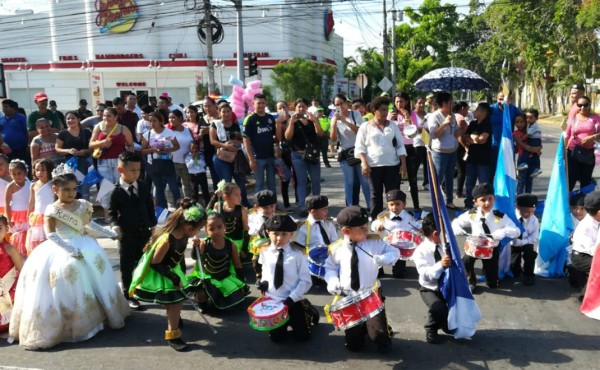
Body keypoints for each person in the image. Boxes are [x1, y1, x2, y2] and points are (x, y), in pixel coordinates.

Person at [9, 173, 130, 350]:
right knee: (67, 280)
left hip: (86, 246)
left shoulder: (82, 205)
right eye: (66, 189)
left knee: (96, 280)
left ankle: (100, 317)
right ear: (55, 190)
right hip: (61, 248)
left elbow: (88, 225)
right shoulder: (51, 210)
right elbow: (51, 234)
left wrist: (109, 233)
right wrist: (71, 250)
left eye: (74, 189)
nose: (71, 193)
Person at [129, 199, 207, 351]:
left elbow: (181, 256)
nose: (197, 233)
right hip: (163, 273)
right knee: (175, 303)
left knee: (175, 303)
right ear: (188, 226)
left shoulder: (184, 234)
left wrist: (196, 248)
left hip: (174, 269)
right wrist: (172, 277)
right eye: (197, 229)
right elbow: (155, 263)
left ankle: (175, 320)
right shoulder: (167, 239)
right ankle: (173, 336)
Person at [324, 206, 400, 353]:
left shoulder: (375, 243)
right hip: (349, 296)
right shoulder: (336, 248)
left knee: (382, 343)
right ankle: (362, 329)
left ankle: (380, 329)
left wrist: (384, 258)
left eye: (366, 227)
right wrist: (332, 281)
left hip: (370, 294)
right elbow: (329, 267)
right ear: (346, 231)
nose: (367, 231)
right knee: (354, 346)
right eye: (361, 228)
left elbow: (395, 252)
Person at [109, 152, 157, 310]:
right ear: (120, 170)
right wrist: (114, 225)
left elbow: (149, 206)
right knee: (127, 265)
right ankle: (128, 294)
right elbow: (111, 212)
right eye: (132, 170)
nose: (136, 173)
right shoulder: (115, 191)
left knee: (143, 262)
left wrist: (153, 225)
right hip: (127, 234)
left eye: (138, 170)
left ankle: (145, 290)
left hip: (144, 232)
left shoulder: (142, 185)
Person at [256, 214, 315, 342]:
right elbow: (266, 271)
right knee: (277, 339)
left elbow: (305, 280)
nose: (279, 238)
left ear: (291, 234)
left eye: (284, 234)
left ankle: (307, 309)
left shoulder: (298, 254)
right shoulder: (264, 251)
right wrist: (263, 283)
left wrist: (292, 298)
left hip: (292, 300)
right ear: (268, 232)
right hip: (274, 302)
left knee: (303, 337)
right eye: (275, 233)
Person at [452, 183, 520, 292]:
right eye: (483, 200)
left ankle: (491, 278)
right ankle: (470, 280)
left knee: (492, 283)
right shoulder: (472, 214)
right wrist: (457, 228)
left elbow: (517, 231)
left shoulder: (500, 216)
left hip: (491, 248)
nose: (487, 203)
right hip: (474, 246)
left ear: (494, 198)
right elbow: (456, 222)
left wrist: (503, 231)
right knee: (466, 261)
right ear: (475, 202)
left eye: (490, 199)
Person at [355, 96, 407, 219]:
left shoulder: (392, 126)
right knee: (375, 195)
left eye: (386, 110)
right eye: (382, 110)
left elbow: (400, 145)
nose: (385, 113)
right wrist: (364, 163)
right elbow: (359, 147)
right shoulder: (365, 126)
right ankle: (375, 221)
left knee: (393, 195)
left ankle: (394, 220)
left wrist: (403, 164)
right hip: (373, 166)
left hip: (392, 166)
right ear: (374, 110)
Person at [187, 212, 249, 311]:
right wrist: (195, 246)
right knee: (201, 294)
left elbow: (237, 265)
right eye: (211, 229)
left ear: (224, 227)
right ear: (207, 231)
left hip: (224, 277)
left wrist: (242, 283)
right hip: (207, 278)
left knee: (236, 299)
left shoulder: (230, 244)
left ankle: (220, 297)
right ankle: (202, 304)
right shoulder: (204, 243)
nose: (216, 231)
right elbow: (195, 257)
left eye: (219, 227)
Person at [89, 106, 135, 219]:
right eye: (104, 115)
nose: (105, 118)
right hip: (103, 162)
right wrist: (101, 143)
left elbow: (131, 145)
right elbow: (90, 145)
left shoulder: (123, 129)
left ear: (116, 117)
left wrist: (129, 159)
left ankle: (123, 216)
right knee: (106, 189)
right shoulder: (98, 128)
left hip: (119, 162)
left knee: (122, 187)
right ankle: (108, 219)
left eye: (108, 116)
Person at [413, 213, 451, 344]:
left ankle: (446, 323)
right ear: (435, 234)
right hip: (429, 288)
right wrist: (440, 265)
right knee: (438, 307)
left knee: (452, 306)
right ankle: (431, 329)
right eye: (446, 231)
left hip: (447, 285)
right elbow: (425, 275)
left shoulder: (446, 245)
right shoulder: (420, 252)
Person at [330, 94, 371, 209]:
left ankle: (371, 205)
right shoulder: (334, 119)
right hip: (345, 154)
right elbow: (333, 140)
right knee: (350, 181)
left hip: (360, 152)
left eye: (341, 103)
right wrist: (333, 124)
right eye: (336, 104)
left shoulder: (355, 114)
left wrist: (345, 121)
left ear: (347, 103)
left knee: (365, 181)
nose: (340, 106)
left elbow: (361, 131)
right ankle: (350, 207)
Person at [285, 98, 323, 217]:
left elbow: (320, 134)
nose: (301, 109)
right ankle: (302, 206)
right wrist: (291, 122)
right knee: (301, 182)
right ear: (295, 109)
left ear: (307, 108)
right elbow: (287, 137)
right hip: (298, 154)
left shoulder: (312, 120)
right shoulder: (293, 121)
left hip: (313, 154)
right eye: (299, 107)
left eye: (303, 107)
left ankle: (317, 205)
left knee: (316, 181)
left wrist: (315, 120)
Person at [427, 92, 465, 209]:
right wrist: (444, 123)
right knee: (437, 178)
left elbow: (455, 132)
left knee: (449, 178)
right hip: (439, 153)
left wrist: (463, 129)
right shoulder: (434, 116)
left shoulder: (452, 115)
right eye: (451, 101)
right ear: (444, 103)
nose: (453, 104)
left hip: (452, 151)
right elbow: (434, 135)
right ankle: (436, 202)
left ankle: (449, 201)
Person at [371, 189, 418, 279]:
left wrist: (420, 229)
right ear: (387, 205)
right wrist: (377, 226)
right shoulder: (384, 216)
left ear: (404, 204)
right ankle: (378, 270)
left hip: (400, 247)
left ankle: (399, 268)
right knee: (377, 270)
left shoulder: (408, 217)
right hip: (385, 245)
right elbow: (373, 224)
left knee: (398, 275)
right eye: (391, 204)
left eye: (397, 204)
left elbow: (415, 226)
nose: (394, 207)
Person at [210, 103, 249, 207]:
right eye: (224, 112)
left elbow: (242, 139)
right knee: (226, 183)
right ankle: (226, 206)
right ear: (219, 112)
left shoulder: (235, 124)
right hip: (221, 158)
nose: (226, 114)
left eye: (228, 111)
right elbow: (212, 141)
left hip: (235, 157)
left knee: (240, 182)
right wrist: (225, 145)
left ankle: (243, 204)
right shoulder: (215, 124)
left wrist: (237, 140)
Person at [140, 111, 181, 210]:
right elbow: (143, 151)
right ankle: (162, 210)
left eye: (154, 121)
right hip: (154, 164)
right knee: (159, 188)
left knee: (174, 187)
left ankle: (179, 208)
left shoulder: (168, 132)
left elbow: (177, 146)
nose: (152, 123)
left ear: (161, 121)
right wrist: (153, 150)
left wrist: (167, 150)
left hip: (167, 163)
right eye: (150, 121)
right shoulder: (148, 134)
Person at [243, 93, 280, 196]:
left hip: (270, 156)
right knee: (259, 184)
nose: (261, 105)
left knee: (272, 183)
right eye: (258, 103)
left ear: (266, 104)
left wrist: (277, 148)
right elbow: (246, 140)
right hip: (257, 158)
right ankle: (259, 206)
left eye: (263, 103)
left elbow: (275, 137)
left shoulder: (270, 118)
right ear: (253, 103)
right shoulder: (250, 119)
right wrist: (251, 159)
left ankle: (273, 206)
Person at [390, 92, 421, 211]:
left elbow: (414, 133)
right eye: (396, 101)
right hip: (395, 149)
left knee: (412, 179)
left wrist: (408, 118)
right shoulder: (391, 115)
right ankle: (397, 206)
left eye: (401, 101)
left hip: (409, 148)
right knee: (396, 181)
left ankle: (416, 206)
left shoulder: (412, 114)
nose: (399, 104)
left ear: (406, 102)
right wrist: (391, 120)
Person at [296, 195, 337, 284]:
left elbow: (335, 242)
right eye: (324, 209)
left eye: (327, 208)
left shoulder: (329, 224)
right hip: (312, 258)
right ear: (313, 212)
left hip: (329, 254)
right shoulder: (304, 227)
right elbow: (300, 248)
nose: (327, 212)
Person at [565, 96, 600, 191]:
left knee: (586, 179)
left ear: (589, 105)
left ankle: (583, 203)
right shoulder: (573, 118)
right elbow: (567, 135)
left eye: (585, 105)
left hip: (589, 153)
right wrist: (564, 151)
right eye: (580, 105)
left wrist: (592, 137)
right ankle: (567, 201)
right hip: (573, 152)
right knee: (571, 178)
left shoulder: (595, 118)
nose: (582, 108)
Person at [55, 111, 93, 200]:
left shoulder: (86, 132)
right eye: (68, 118)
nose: (70, 120)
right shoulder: (62, 134)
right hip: (70, 165)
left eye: (73, 118)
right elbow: (57, 149)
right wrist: (68, 150)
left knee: (85, 188)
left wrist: (85, 151)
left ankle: (86, 210)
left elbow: (92, 147)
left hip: (86, 164)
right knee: (71, 186)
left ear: (78, 119)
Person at [570, 191, 600, 301]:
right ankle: (586, 296)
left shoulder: (596, 220)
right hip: (582, 257)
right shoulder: (585, 227)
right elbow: (592, 249)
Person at [463, 102, 492, 209]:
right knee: (469, 182)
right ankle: (469, 204)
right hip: (471, 158)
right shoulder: (472, 124)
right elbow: (465, 138)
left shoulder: (487, 124)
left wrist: (475, 139)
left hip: (483, 159)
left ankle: (484, 205)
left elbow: (483, 139)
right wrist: (474, 138)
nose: (474, 112)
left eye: (477, 110)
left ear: (483, 112)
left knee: (483, 184)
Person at [489, 91, 522, 179]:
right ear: (496, 99)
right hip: (494, 146)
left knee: (508, 171)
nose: (502, 102)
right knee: (492, 171)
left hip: (508, 145)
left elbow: (524, 122)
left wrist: (519, 141)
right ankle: (492, 191)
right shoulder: (491, 109)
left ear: (510, 99)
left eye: (505, 99)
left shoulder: (514, 109)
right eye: (500, 99)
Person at [0, 215, 24, 332]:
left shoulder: (9, 249)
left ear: (6, 229)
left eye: (0, 228)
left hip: (8, 290)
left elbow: (22, 270)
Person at [25, 159, 54, 254]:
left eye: (43, 170)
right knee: (39, 239)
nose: (39, 172)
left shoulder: (53, 183)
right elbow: (31, 201)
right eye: (37, 170)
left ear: (49, 171)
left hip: (51, 214)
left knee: (50, 236)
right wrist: (29, 214)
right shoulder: (33, 185)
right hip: (38, 216)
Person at [248, 190, 277, 280]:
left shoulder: (277, 214)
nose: (269, 210)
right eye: (265, 208)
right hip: (260, 242)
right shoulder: (252, 217)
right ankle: (259, 275)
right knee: (257, 258)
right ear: (256, 207)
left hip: (276, 240)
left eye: (272, 206)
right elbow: (251, 231)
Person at [214, 182, 249, 258]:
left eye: (240, 194)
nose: (240, 197)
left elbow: (246, 229)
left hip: (237, 243)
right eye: (236, 195)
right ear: (226, 197)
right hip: (222, 242)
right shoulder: (218, 206)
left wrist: (244, 248)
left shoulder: (242, 210)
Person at [511, 194, 539, 286]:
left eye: (532, 211)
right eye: (527, 211)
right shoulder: (511, 216)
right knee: (514, 270)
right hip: (512, 244)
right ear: (518, 207)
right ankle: (516, 269)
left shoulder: (534, 220)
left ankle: (529, 274)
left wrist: (522, 242)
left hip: (526, 242)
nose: (530, 214)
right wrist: (512, 240)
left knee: (530, 255)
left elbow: (534, 237)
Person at [184, 105, 210, 205]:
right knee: (193, 189)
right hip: (189, 150)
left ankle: (207, 204)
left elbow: (203, 164)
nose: (190, 114)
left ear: (196, 113)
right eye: (187, 112)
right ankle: (194, 205)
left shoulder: (200, 123)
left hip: (200, 148)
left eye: (192, 112)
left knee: (204, 189)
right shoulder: (184, 125)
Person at [5, 159, 31, 256]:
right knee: (18, 236)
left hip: (27, 213)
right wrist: (9, 219)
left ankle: (27, 253)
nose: (17, 176)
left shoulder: (30, 184)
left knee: (27, 234)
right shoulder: (10, 186)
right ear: (10, 174)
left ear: (25, 172)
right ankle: (18, 256)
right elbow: (7, 203)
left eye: (19, 173)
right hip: (16, 215)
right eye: (14, 174)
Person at [514, 112, 543, 194]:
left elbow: (539, 144)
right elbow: (525, 146)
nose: (519, 124)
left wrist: (538, 148)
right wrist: (536, 149)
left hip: (532, 159)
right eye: (517, 122)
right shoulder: (515, 134)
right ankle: (519, 198)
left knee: (529, 180)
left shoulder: (530, 130)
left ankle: (528, 197)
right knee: (522, 180)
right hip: (522, 159)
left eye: (522, 122)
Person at [169, 110, 195, 200]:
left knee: (187, 185)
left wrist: (193, 146)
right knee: (171, 186)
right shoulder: (168, 131)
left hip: (187, 163)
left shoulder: (188, 130)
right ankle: (172, 205)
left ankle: (189, 204)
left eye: (173, 117)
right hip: (172, 163)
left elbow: (193, 143)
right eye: (169, 118)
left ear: (180, 118)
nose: (171, 120)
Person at [274, 101, 295, 211]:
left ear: (288, 108)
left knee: (297, 177)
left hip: (295, 151)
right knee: (285, 178)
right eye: (279, 108)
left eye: (284, 107)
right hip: (283, 153)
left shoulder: (293, 119)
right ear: (276, 110)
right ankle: (286, 204)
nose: (282, 109)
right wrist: (278, 124)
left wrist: (289, 123)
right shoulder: (276, 121)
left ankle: (298, 201)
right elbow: (278, 139)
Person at [0, 99, 29, 163]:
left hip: (21, 149)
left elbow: (26, 131)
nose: (4, 109)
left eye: (6, 107)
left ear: (12, 107)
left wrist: (28, 144)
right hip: (6, 150)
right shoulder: (1, 119)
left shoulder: (21, 118)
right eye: (3, 107)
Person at [413, 97, 429, 191]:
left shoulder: (427, 115)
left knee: (427, 164)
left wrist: (423, 129)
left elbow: (432, 128)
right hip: (417, 143)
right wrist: (426, 130)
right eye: (420, 103)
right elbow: (415, 128)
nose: (422, 105)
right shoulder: (413, 114)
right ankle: (413, 183)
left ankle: (426, 182)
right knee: (416, 165)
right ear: (415, 104)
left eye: (423, 103)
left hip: (427, 143)